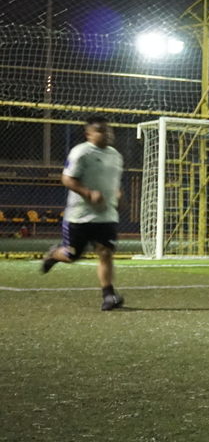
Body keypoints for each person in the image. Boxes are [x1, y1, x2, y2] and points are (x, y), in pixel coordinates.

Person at [41, 115, 125, 311]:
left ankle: (109, 295)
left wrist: (119, 195)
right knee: (72, 256)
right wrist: (88, 193)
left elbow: (114, 181)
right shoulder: (81, 152)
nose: (107, 134)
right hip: (80, 216)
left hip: (106, 215)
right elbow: (67, 179)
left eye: (109, 130)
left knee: (105, 252)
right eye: (101, 131)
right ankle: (54, 254)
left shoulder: (116, 156)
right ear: (89, 134)